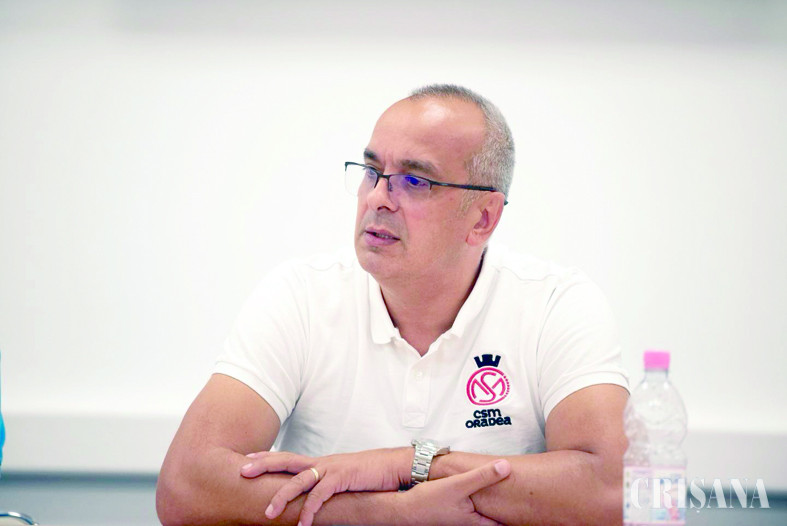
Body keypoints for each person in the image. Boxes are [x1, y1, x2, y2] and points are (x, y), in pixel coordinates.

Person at [157, 84, 629, 526]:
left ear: (483, 218)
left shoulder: (555, 305)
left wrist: (406, 464)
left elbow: (615, 490)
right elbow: (185, 485)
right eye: (371, 172)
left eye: (414, 181)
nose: (378, 199)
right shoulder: (300, 296)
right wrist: (388, 513)